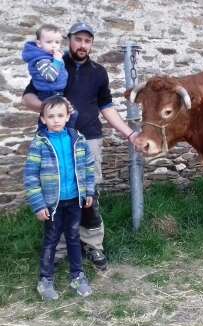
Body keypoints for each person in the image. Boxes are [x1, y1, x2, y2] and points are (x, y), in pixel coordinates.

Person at [22, 22, 139, 271]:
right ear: (70, 40)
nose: (82, 45)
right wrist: (49, 108)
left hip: (89, 141)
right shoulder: (53, 65)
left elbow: (106, 107)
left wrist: (129, 133)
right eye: (78, 40)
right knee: (57, 194)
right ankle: (60, 248)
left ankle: (94, 245)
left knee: (89, 195)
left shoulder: (98, 72)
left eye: (88, 41)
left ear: (91, 44)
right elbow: (27, 97)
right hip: (55, 142)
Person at [24, 96, 95, 300]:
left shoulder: (78, 139)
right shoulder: (40, 144)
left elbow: (88, 167)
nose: (56, 120)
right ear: (43, 119)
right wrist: (38, 204)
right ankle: (45, 280)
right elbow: (30, 176)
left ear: (67, 117)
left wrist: (88, 191)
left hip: (74, 200)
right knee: (51, 240)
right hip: (52, 205)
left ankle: (77, 276)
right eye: (51, 116)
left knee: (74, 238)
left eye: (60, 115)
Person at [21, 24, 77, 128]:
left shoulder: (49, 57)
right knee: (54, 117)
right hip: (49, 93)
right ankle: (56, 134)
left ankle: (64, 133)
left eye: (57, 42)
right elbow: (50, 76)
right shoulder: (41, 60)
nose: (54, 45)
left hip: (56, 92)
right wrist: (57, 61)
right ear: (39, 44)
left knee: (63, 116)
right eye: (49, 42)